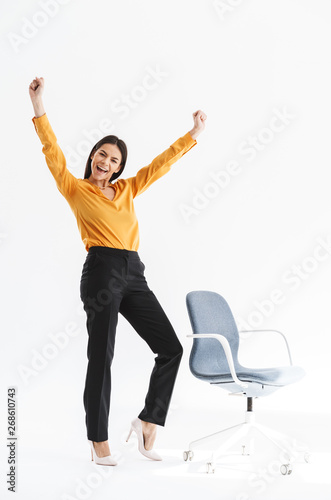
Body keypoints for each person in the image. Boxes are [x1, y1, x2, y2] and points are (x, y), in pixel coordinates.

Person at [29, 76, 207, 466]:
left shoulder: (127, 188)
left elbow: (160, 166)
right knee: (102, 356)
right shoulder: (75, 188)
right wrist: (39, 105)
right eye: (101, 155)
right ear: (92, 156)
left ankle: (148, 422)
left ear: (119, 166)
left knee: (171, 348)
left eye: (113, 160)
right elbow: (52, 151)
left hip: (134, 272)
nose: (106, 163)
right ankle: (98, 442)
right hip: (101, 272)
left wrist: (192, 134)